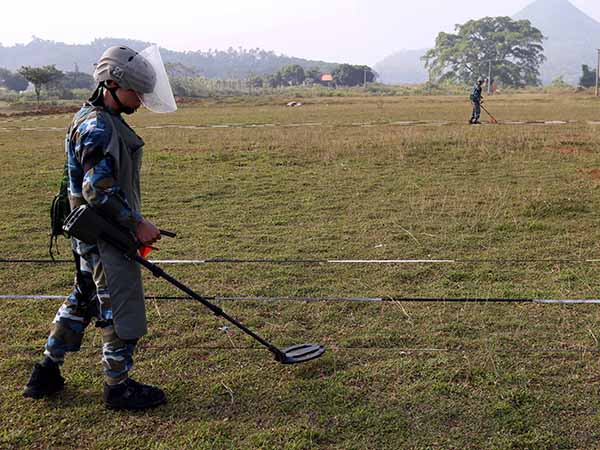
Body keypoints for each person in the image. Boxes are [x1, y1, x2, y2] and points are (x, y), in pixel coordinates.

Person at [23, 45, 177, 410]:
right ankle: (118, 387)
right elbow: (98, 190)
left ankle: (45, 372)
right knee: (118, 306)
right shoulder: (96, 126)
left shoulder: (92, 116)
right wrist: (136, 223)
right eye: (134, 92)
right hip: (104, 234)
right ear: (111, 84)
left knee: (82, 300)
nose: (140, 100)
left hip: (89, 234)